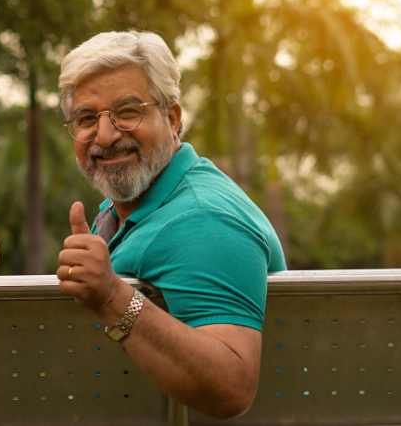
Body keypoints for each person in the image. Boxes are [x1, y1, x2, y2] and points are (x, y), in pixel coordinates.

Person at [55, 31, 286, 419]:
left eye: (127, 111)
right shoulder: (128, 205)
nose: (106, 135)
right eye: (86, 118)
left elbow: (232, 387)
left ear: (172, 118)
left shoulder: (203, 218)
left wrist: (112, 296)